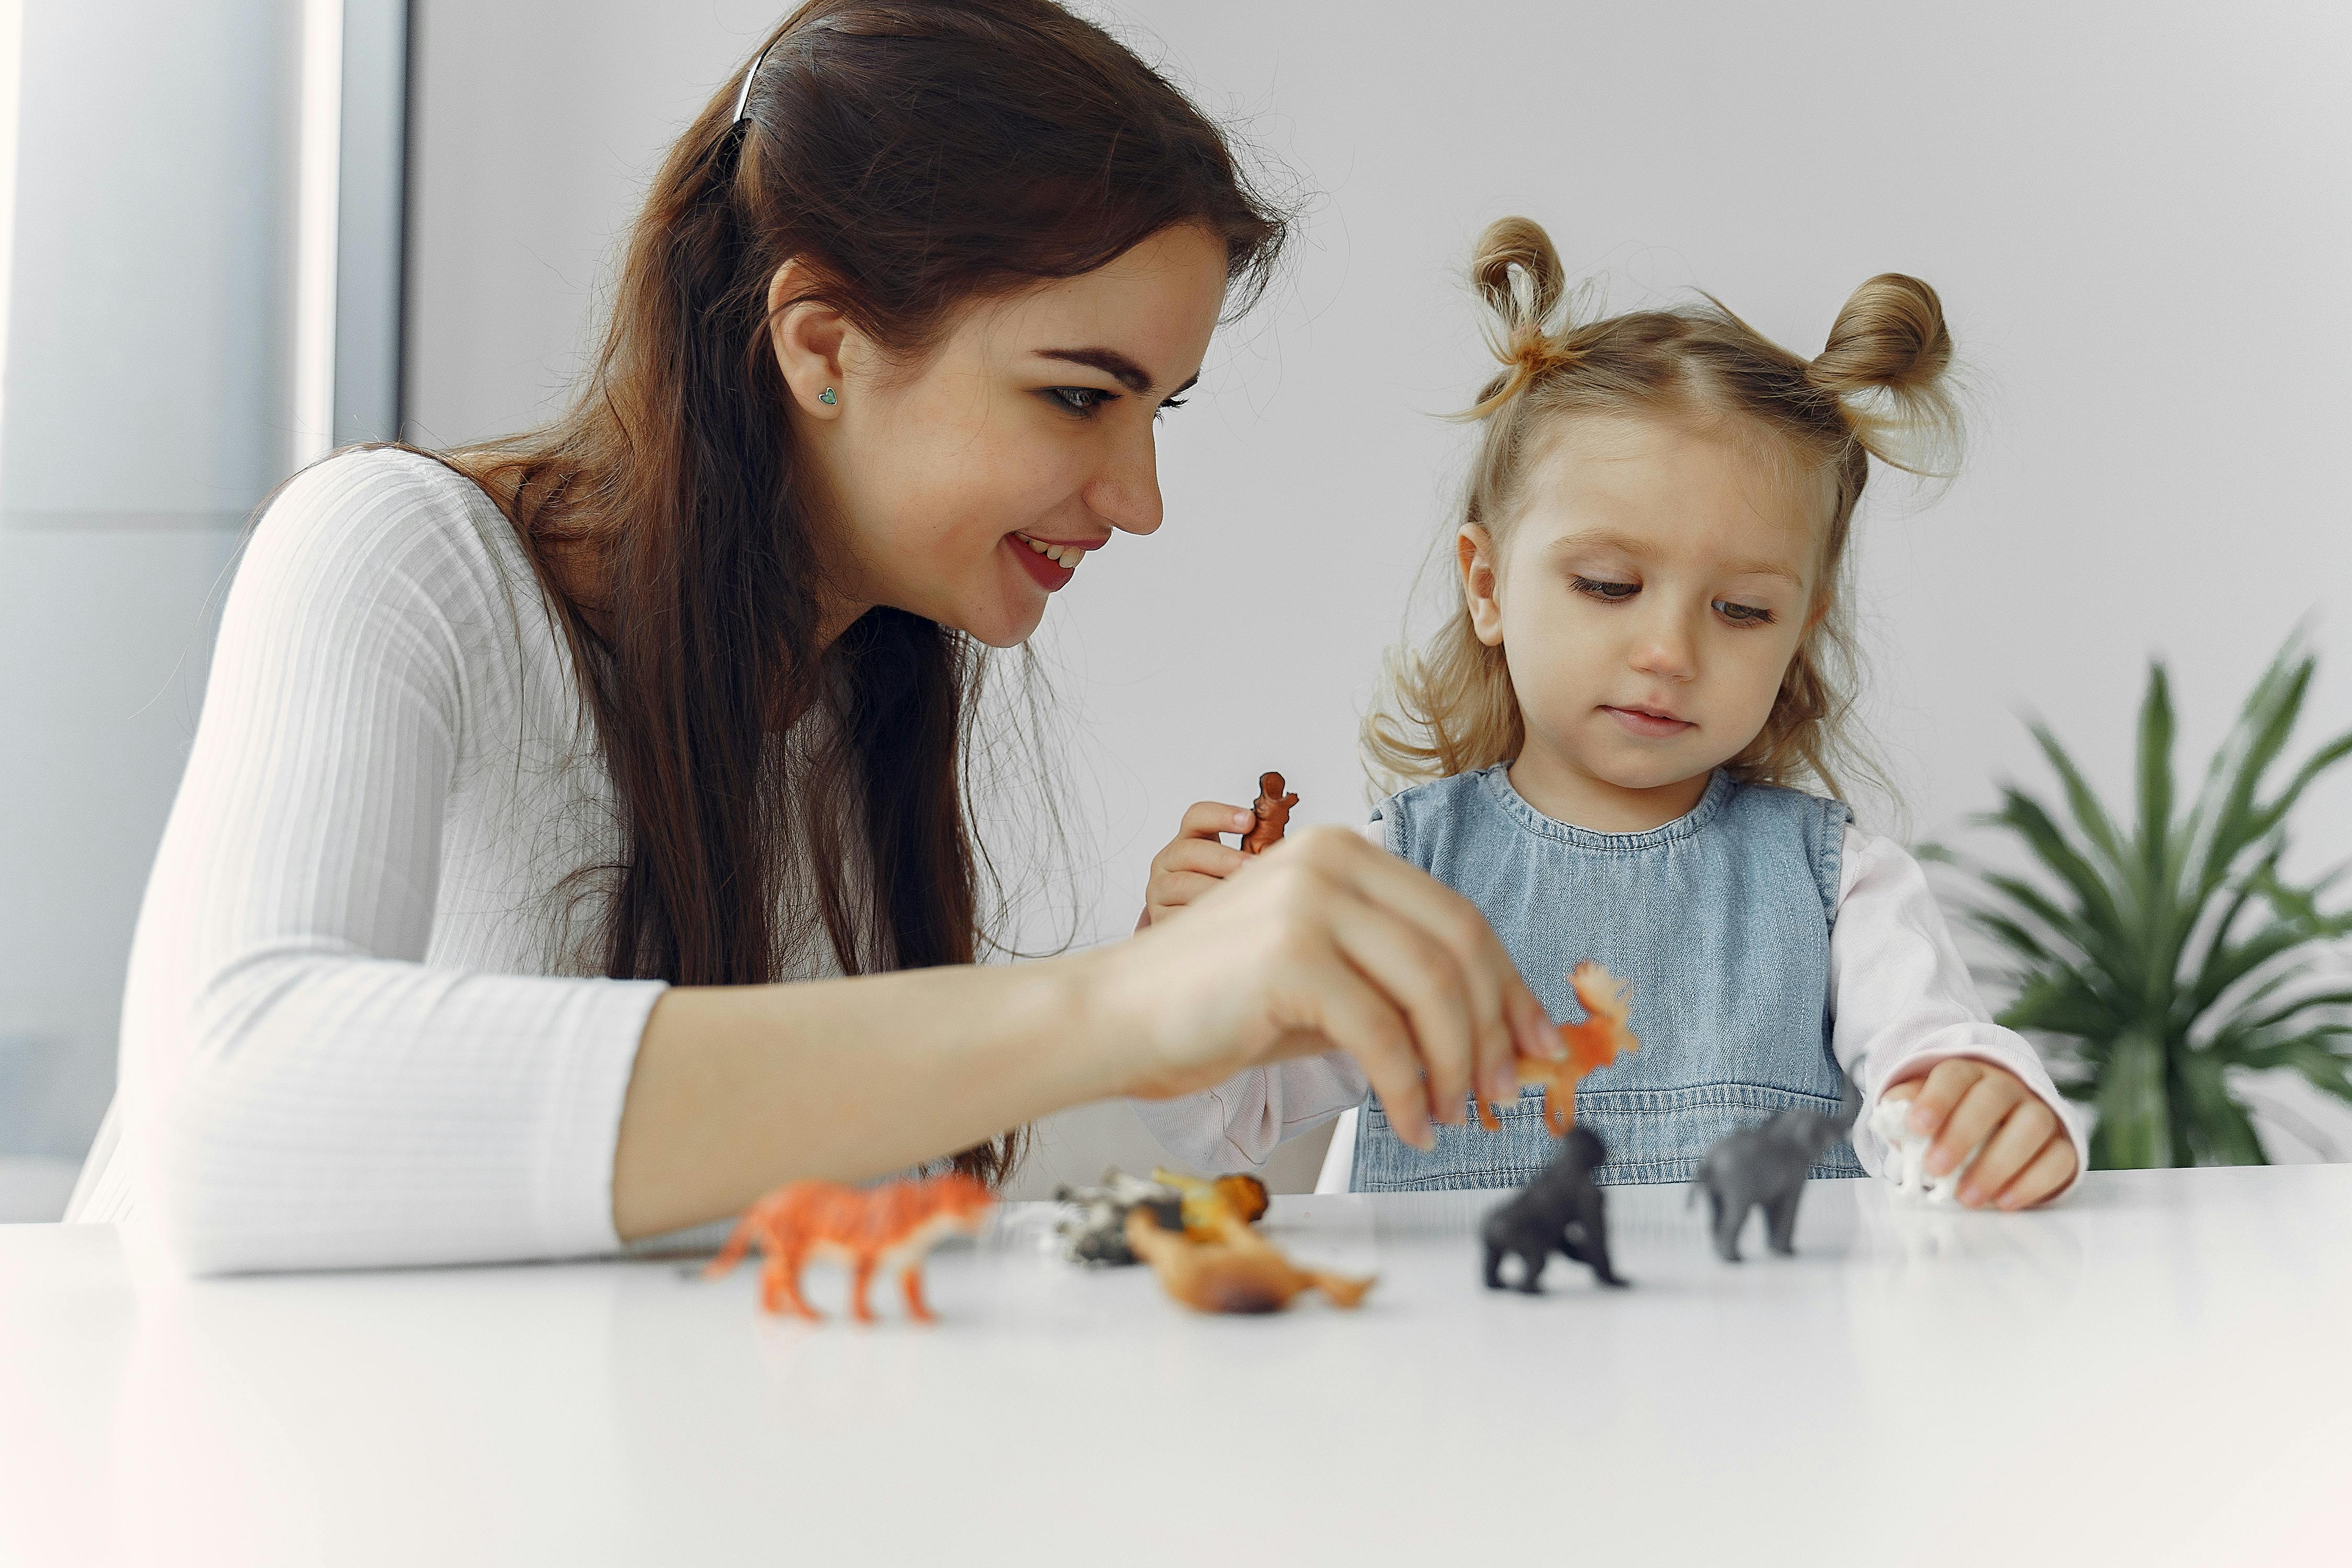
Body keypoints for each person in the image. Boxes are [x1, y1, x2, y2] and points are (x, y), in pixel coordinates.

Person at [73, 1, 1567, 1274]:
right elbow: (232, 1109)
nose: (1139, 499)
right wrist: (1101, 1008)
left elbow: (830, 1178)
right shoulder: (394, 555)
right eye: (1075, 395)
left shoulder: (864, 686)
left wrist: (1169, 1055)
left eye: (1155, 409)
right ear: (823, 344)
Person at [1137, 215, 2087, 1209]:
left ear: (1800, 628)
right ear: (1490, 584)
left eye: (1741, 610)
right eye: (1605, 585)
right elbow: (1220, 1122)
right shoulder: (1397, 880)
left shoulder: (1843, 888)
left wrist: (1985, 1108)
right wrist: (1184, 971)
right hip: (1461, 1366)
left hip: (1772, 1364)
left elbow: (1932, 1070)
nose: (1670, 653)